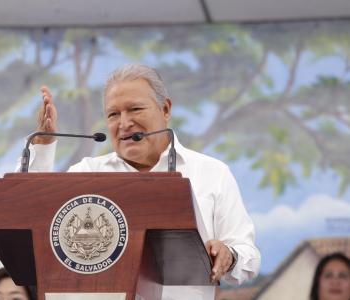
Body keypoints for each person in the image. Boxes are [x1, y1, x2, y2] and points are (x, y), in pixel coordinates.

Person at [18, 63, 261, 298]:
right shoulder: (87, 174)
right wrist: (42, 146)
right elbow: (26, 216)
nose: (124, 123)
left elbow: (248, 257)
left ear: (165, 109)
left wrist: (230, 255)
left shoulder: (211, 173)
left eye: (134, 109)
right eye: (113, 114)